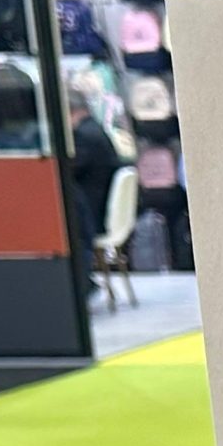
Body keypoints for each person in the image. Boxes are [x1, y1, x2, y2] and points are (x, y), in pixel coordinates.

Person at [65, 91, 123, 299]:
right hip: (100, 206)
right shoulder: (95, 130)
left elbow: (68, 170)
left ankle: (80, 283)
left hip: (91, 214)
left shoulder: (83, 136)